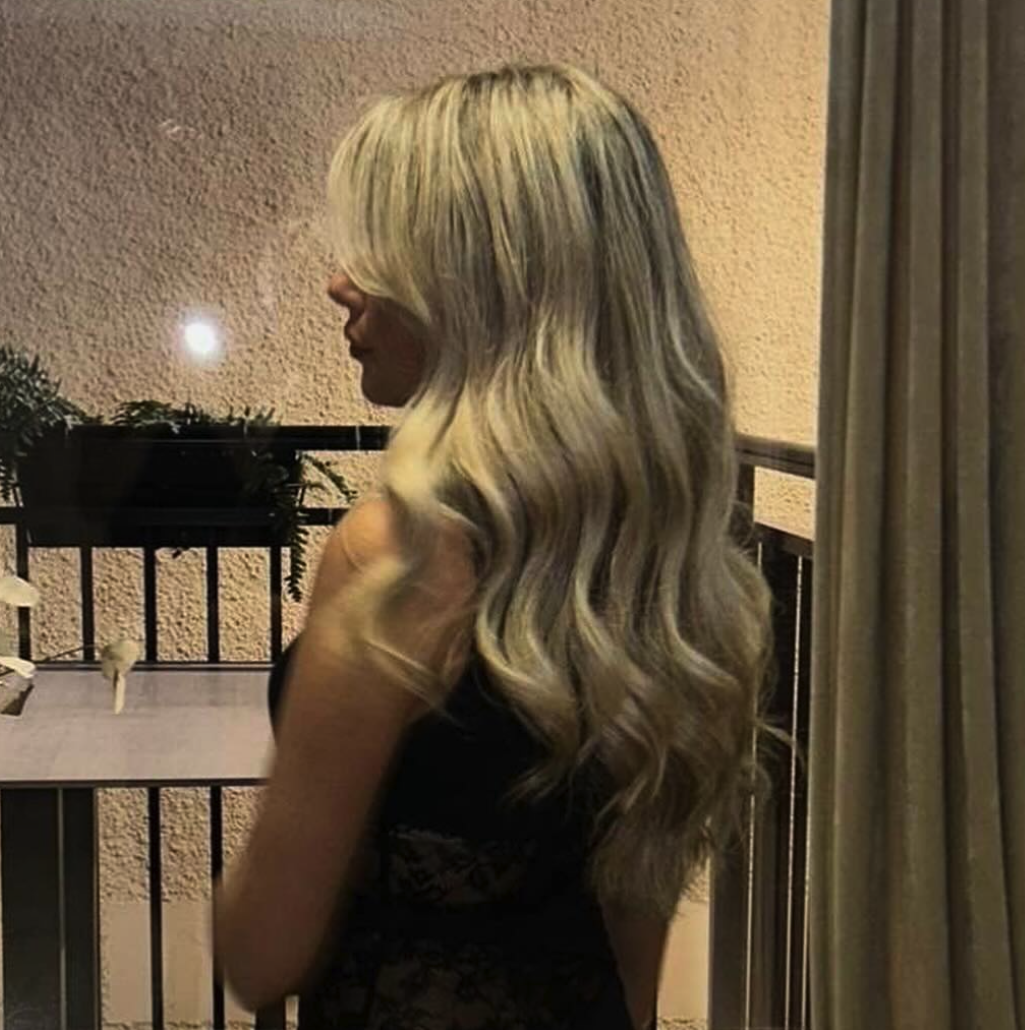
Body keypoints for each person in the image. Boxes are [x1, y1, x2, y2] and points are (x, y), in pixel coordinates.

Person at [212, 62, 782, 1030]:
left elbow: (262, 955)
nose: (339, 281)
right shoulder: (655, 559)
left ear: (479, 287)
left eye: (382, 249)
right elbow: (633, 949)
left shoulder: (396, 557)